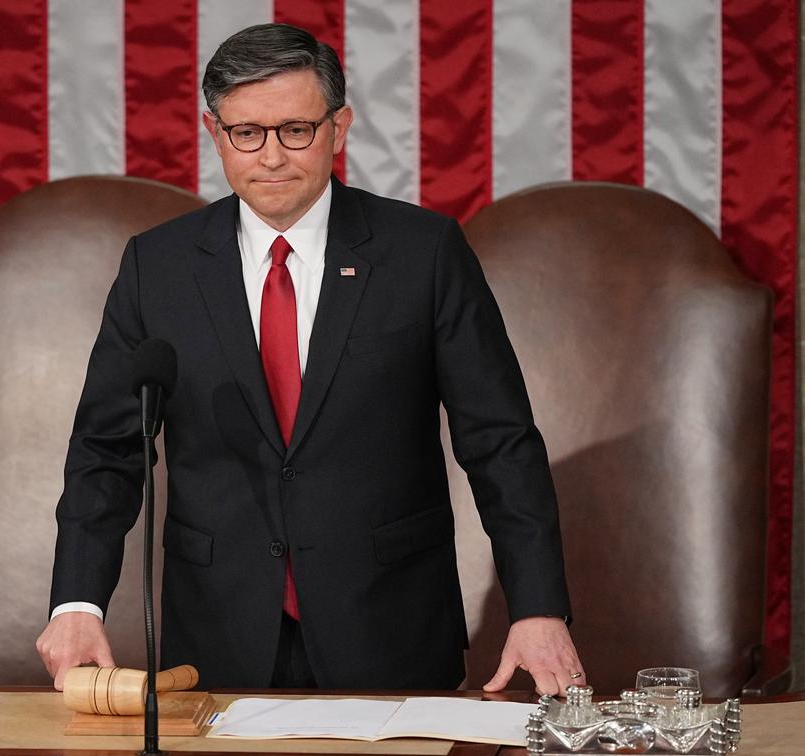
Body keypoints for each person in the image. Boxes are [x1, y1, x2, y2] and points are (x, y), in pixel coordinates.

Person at [37, 22, 584, 695]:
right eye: (247, 133)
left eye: (295, 129)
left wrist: (537, 607)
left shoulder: (422, 255)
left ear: (339, 127)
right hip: (216, 638)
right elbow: (105, 450)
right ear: (215, 134)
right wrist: (76, 603)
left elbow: (501, 443)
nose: (271, 156)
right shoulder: (159, 268)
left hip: (390, 629)